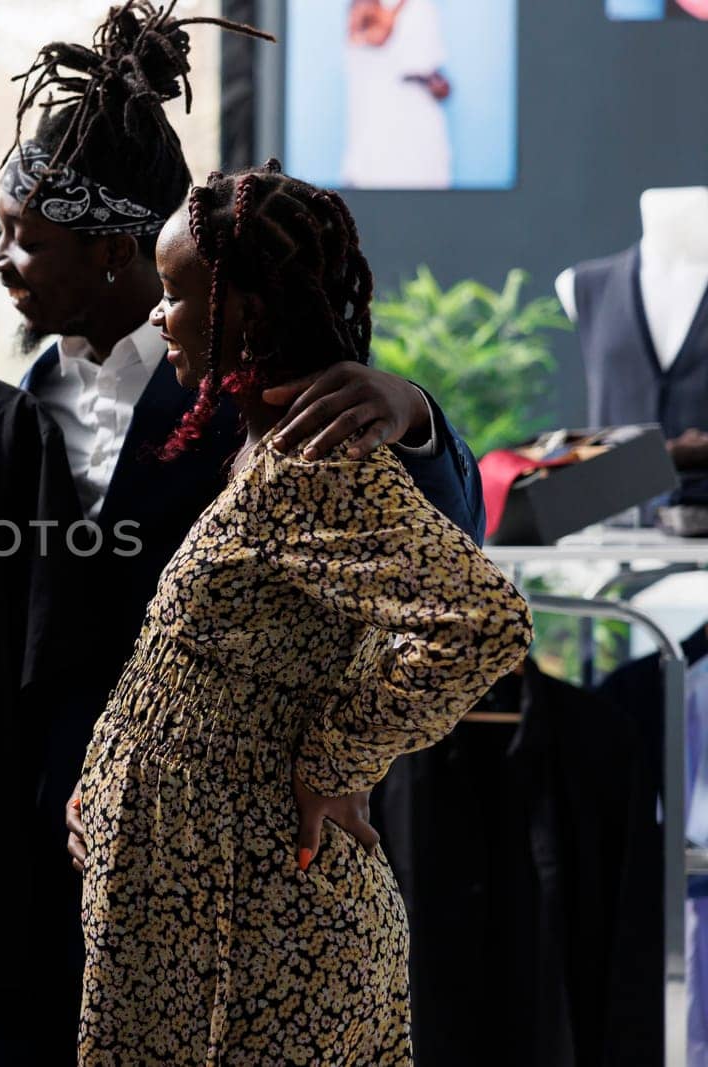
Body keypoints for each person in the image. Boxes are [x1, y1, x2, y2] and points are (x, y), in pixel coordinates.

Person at [0, 6, 487, 1064]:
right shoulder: (18, 404)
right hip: (32, 847)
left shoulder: (260, 397)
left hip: (229, 840)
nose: (2, 261)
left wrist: (410, 408)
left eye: (27, 240)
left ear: (112, 250)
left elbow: (443, 560)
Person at [71, 160, 531, 1063]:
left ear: (244, 306)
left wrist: (338, 758)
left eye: (175, 292)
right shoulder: (265, 446)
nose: (158, 314)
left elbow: (484, 621)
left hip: (260, 929)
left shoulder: (316, 462)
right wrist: (105, 773)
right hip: (197, 921)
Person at [341, 0, 452, 189]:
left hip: (421, 113)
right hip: (382, 115)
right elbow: (377, 36)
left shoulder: (424, 7)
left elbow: (430, 64)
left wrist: (436, 83)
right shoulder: (363, 8)